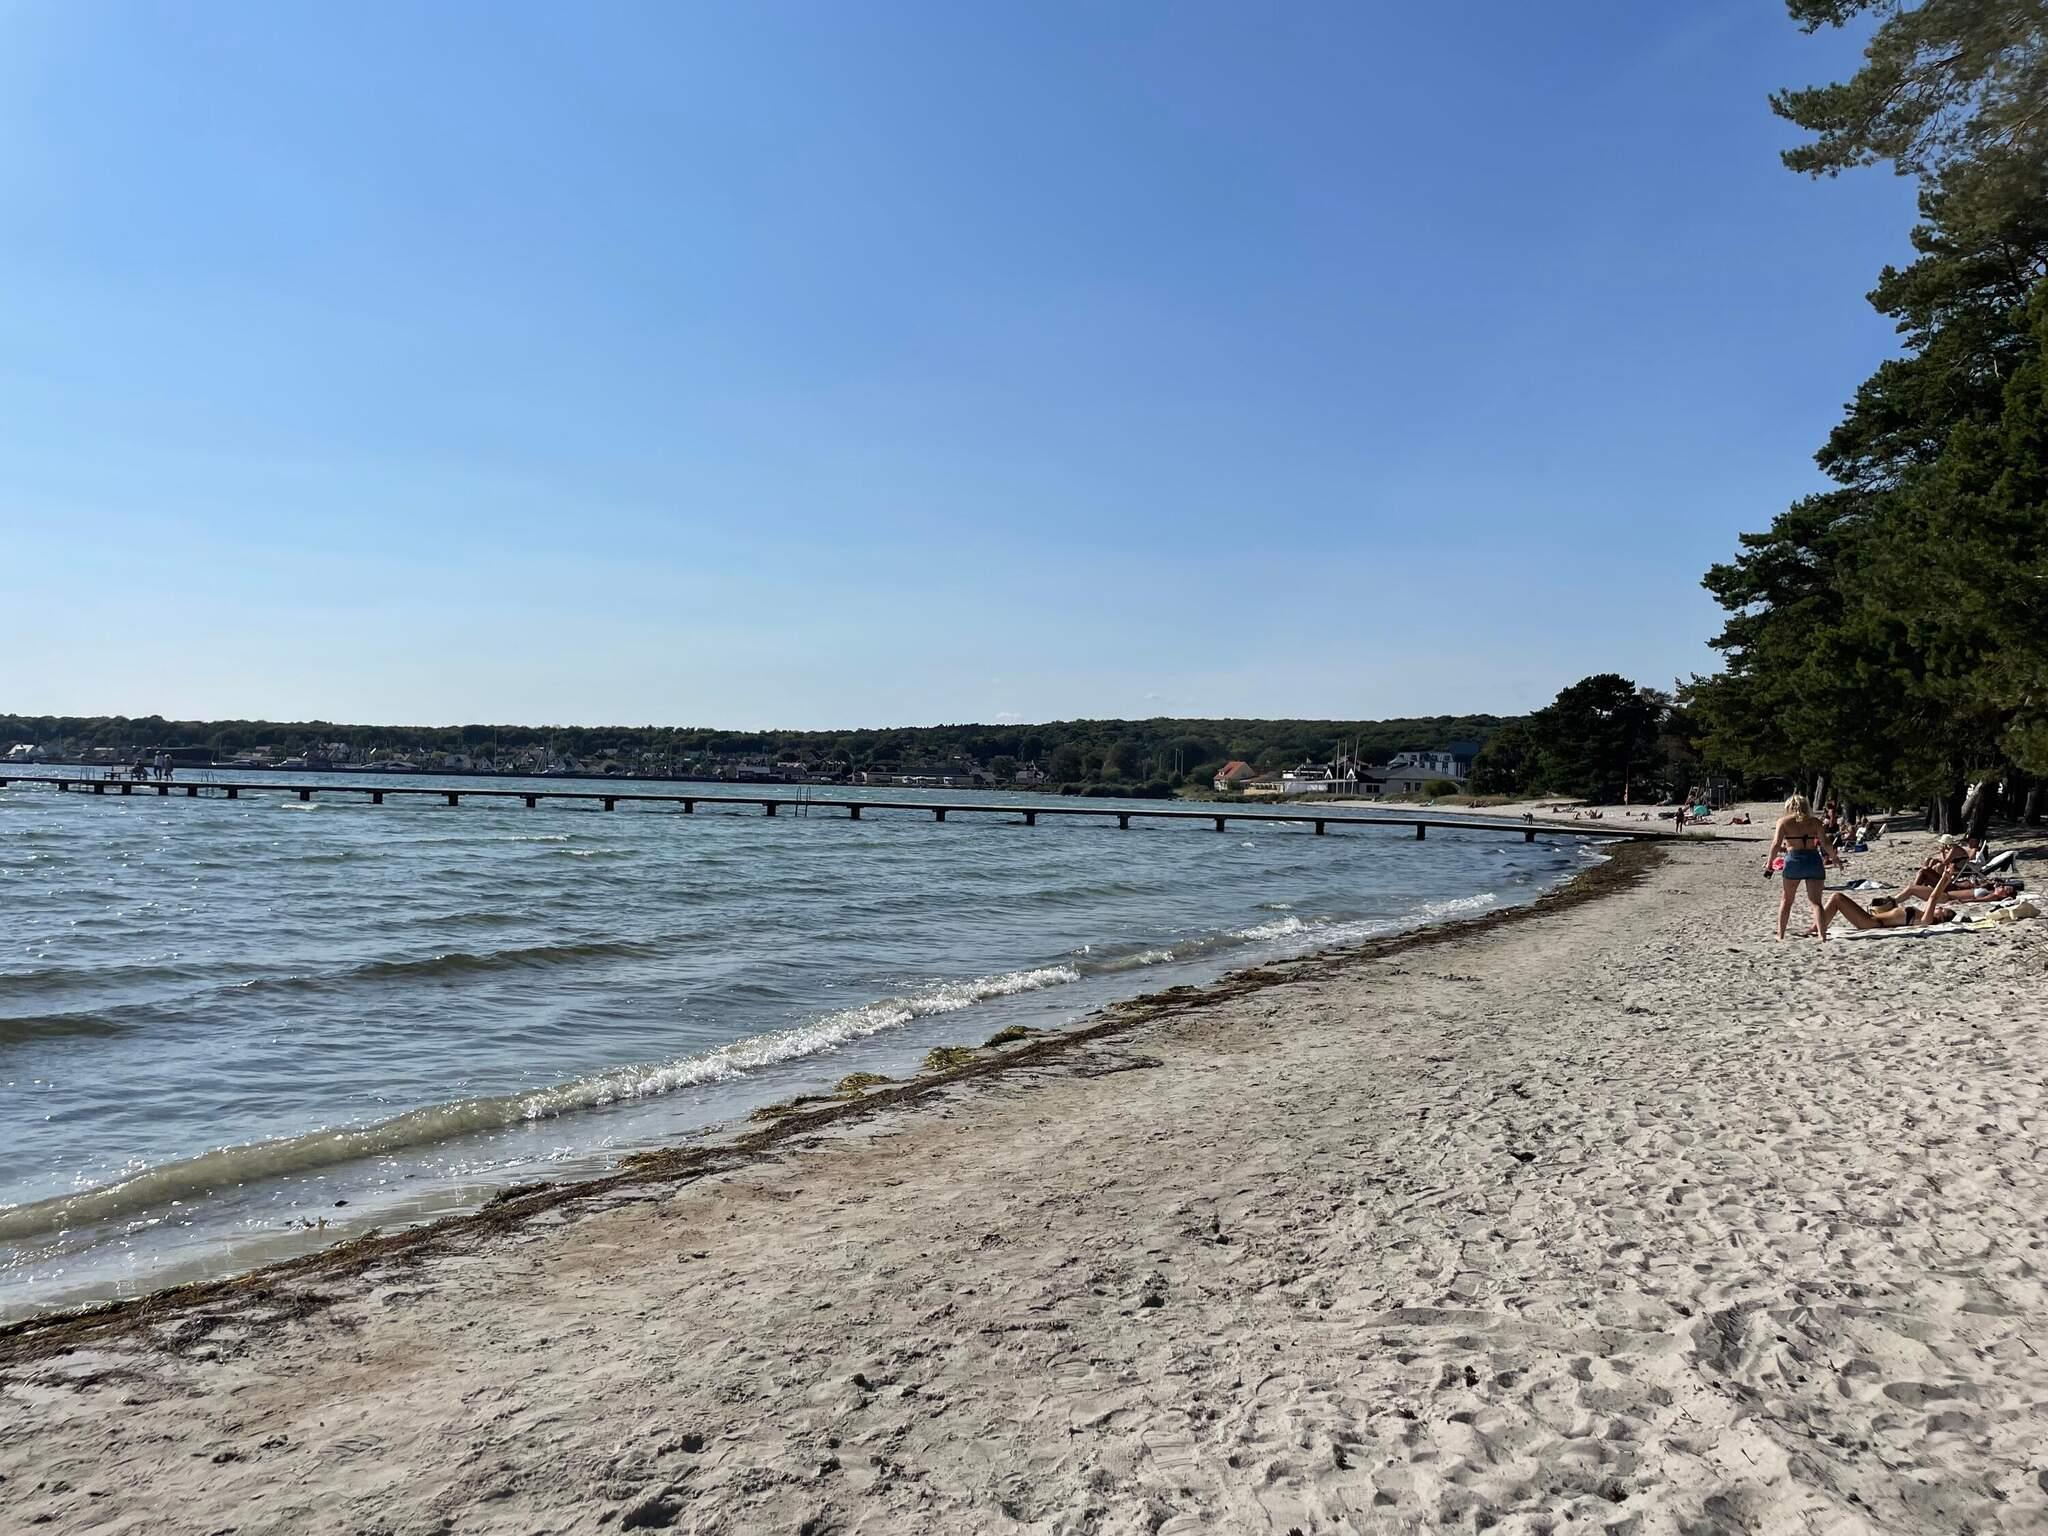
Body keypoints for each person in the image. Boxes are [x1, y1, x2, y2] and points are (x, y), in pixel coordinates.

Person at [1766, 793, 1839, 941]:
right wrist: (1835, 858)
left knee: (1786, 900)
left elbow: (1776, 844)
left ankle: (1781, 935)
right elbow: (1825, 842)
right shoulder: (1815, 822)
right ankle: (1822, 936)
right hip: (1813, 860)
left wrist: (1769, 864)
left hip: (1794, 860)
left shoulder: (1783, 822)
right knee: (1816, 902)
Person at [1823, 865, 1958, 931]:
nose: (1940, 907)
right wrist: (1946, 879)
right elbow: (1932, 899)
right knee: (1837, 898)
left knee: (1837, 897)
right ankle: (1818, 925)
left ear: (1941, 918)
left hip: (1870, 923)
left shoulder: (1926, 920)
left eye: (1942, 910)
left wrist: (1944, 879)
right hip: (1870, 919)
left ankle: (1817, 926)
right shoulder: (1923, 914)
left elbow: (1933, 897)